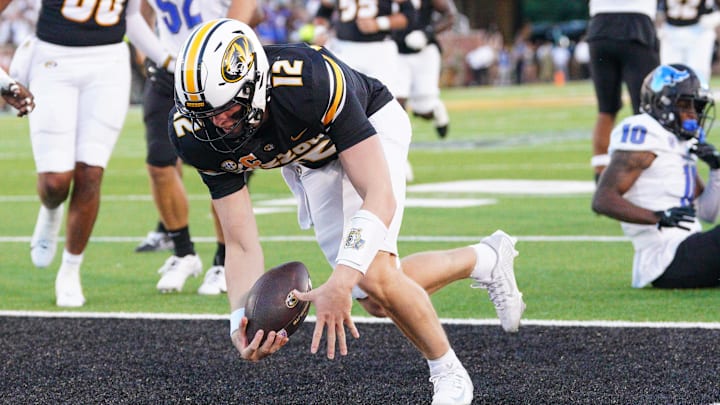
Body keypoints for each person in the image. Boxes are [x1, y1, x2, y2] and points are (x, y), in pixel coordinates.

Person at [170, 19, 525, 404]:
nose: (217, 124)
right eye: (205, 114)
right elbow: (239, 243)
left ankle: (449, 373)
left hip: (369, 126)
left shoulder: (307, 83)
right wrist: (240, 321)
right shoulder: (196, 136)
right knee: (375, 298)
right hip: (310, 161)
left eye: (227, 110)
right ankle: (486, 258)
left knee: (370, 275)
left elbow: (379, 194)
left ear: (255, 85)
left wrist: (341, 279)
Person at [1, 0, 176, 307]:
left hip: (108, 65)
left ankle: (71, 269)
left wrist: (168, 61)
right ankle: (52, 209)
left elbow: (131, 16)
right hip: (52, 61)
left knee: (91, 173)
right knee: (55, 183)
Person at [134, 0, 260, 295]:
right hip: (167, 74)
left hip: (217, 75)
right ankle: (183, 253)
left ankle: (222, 260)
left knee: (225, 167)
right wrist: (147, 53)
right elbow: (140, 12)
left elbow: (239, 19)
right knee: (158, 164)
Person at [592, 64, 720, 289]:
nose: (692, 113)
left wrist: (717, 169)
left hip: (688, 246)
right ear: (661, 103)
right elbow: (602, 199)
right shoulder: (646, 132)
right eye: (684, 104)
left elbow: (708, 213)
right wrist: (658, 216)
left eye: (696, 105)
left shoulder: (679, 143)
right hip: (665, 257)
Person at [587, 0, 660, 181]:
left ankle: (601, 174)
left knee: (606, 110)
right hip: (637, 22)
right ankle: (647, 176)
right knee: (646, 111)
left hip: (600, 25)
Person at [392, 0, 456, 139]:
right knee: (394, 101)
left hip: (424, 51)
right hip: (396, 51)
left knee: (424, 109)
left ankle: (435, 109)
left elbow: (450, 15)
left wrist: (427, 33)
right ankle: (399, 142)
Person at [658, 0, 720, 85]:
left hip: (699, 31)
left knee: (699, 72)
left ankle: (700, 95)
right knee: (670, 71)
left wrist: (714, 17)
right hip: (670, 31)